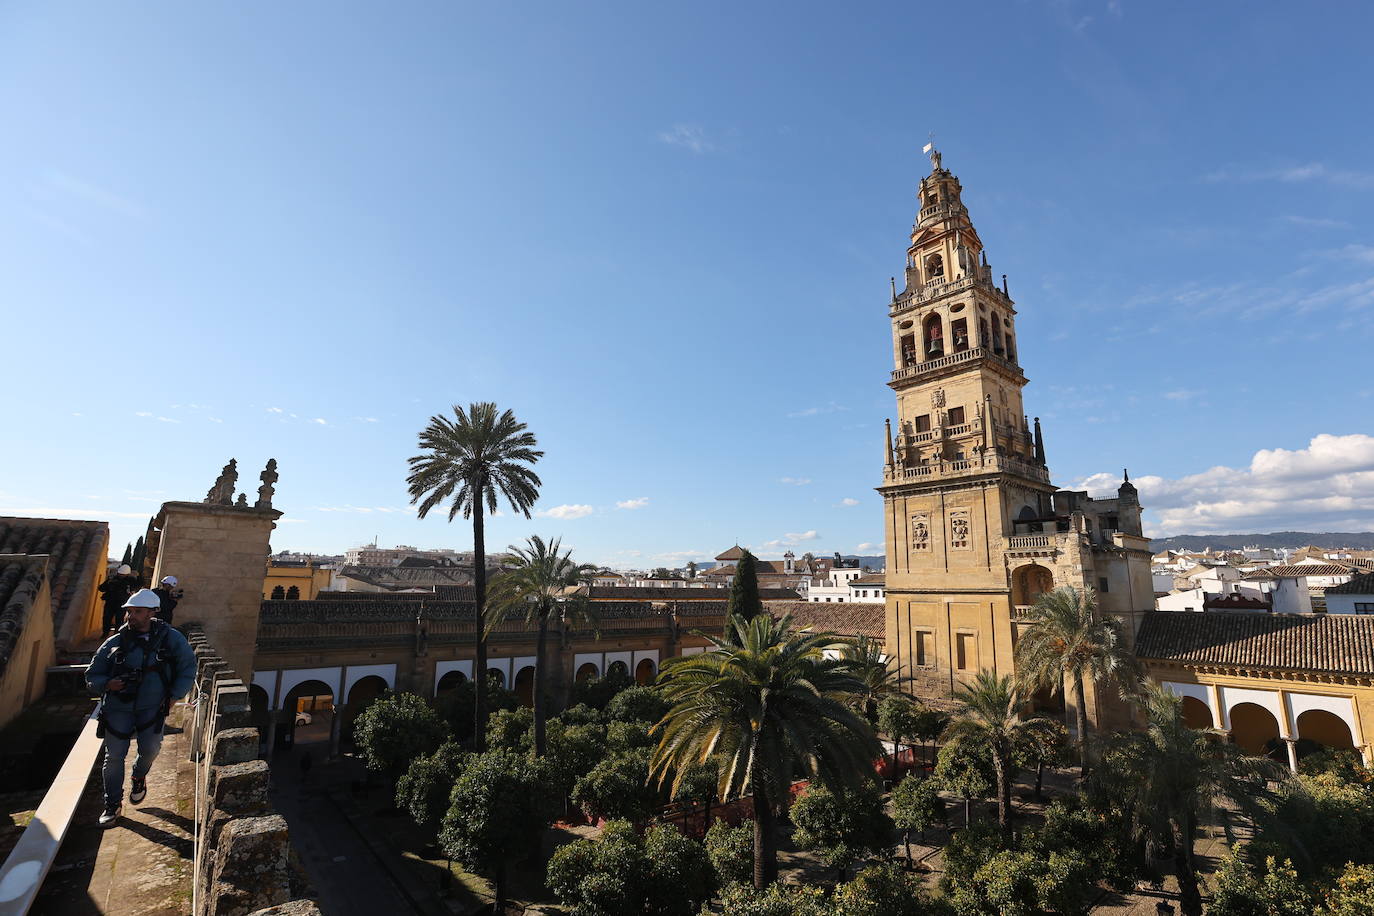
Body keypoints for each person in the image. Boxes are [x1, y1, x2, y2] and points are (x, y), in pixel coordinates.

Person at [85, 588, 197, 827]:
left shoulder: (171, 638)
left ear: (152, 613)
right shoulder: (115, 641)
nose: (130, 616)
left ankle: (138, 775)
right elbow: (92, 675)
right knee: (113, 757)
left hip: (152, 708)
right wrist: (107, 684)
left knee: (151, 749)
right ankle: (112, 804)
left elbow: (188, 667)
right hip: (117, 707)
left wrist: (174, 696)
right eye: (129, 611)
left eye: (137, 612)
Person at [97, 564, 138, 636]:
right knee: (107, 618)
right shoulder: (112, 579)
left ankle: (117, 634)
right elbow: (101, 588)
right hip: (110, 602)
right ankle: (105, 633)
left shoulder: (131, 581)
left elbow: (134, 589)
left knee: (119, 619)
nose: (121, 575)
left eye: (123, 574)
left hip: (122, 603)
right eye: (120, 574)